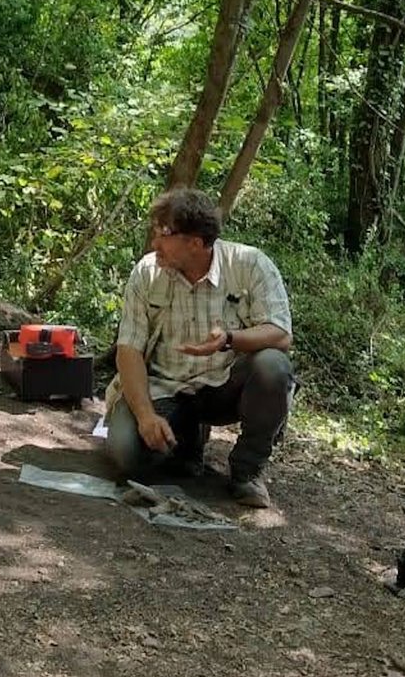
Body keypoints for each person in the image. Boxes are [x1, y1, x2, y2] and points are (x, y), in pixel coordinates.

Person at [102, 188, 294, 508]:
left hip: (225, 385)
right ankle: (186, 442)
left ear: (194, 242)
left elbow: (280, 333)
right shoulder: (147, 272)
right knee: (126, 456)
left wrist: (229, 338)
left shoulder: (249, 264)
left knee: (274, 365)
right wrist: (146, 416)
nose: (154, 243)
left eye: (163, 234)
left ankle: (248, 469)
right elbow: (129, 350)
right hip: (167, 386)